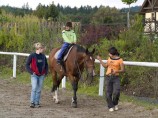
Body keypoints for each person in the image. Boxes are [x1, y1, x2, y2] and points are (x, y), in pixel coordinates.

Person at [97, 47, 125, 112]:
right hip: (108, 77)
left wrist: (116, 71)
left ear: (112, 54)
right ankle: (110, 106)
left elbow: (123, 70)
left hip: (116, 77)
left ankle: (115, 103)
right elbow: (105, 66)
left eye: (109, 53)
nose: (108, 54)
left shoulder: (120, 60)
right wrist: (100, 60)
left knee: (116, 92)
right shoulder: (109, 58)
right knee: (108, 92)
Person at [26, 42, 48, 108]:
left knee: (39, 89)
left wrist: (45, 72)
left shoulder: (43, 56)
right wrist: (32, 72)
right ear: (39, 48)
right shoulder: (32, 55)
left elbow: (46, 65)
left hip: (41, 75)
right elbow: (27, 65)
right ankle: (32, 102)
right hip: (34, 75)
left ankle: (37, 102)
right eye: (42, 48)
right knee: (34, 88)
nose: (43, 49)